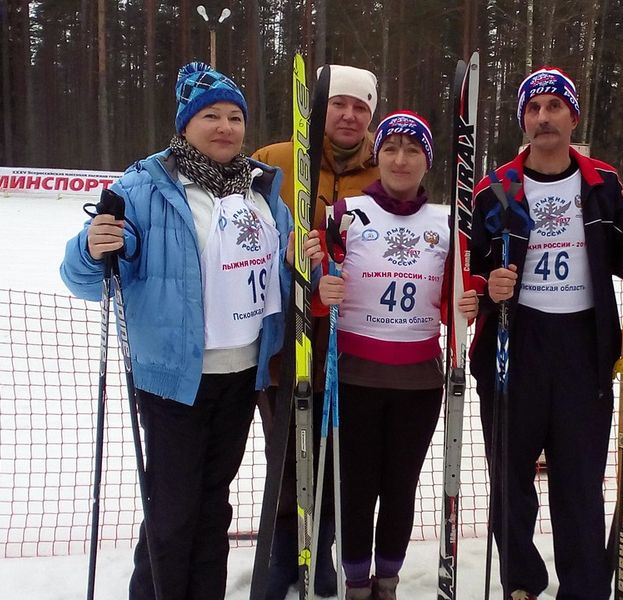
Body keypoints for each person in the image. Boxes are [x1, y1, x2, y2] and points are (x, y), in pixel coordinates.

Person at [60, 62, 292, 600]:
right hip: (173, 380)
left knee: (214, 505)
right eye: (211, 116)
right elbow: (84, 278)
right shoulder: (144, 188)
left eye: (235, 117)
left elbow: (281, 274)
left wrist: (306, 262)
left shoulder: (262, 193)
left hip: (242, 373)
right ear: (185, 123)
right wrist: (93, 248)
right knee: (172, 510)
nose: (225, 127)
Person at [467, 67, 623, 600]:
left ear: (573, 117)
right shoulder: (496, 188)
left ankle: (584, 586)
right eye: (533, 108)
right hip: (515, 344)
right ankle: (522, 582)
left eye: (554, 106)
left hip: (583, 345)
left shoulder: (604, 184)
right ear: (523, 121)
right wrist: (488, 285)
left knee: (579, 480)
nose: (543, 117)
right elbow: (469, 267)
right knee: (511, 480)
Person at [303, 111, 478, 600]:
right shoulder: (345, 213)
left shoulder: (447, 221)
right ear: (376, 156)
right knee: (356, 489)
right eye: (390, 149)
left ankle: (387, 582)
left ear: (427, 161)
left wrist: (471, 299)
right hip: (354, 378)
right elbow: (314, 295)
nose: (401, 160)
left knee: (401, 488)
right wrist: (320, 286)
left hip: (418, 382)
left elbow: (454, 301)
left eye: (413, 150)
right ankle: (356, 583)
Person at [250, 64, 380, 599]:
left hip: (350, 342)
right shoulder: (274, 159)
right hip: (284, 338)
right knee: (285, 452)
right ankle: (284, 550)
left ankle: (320, 546)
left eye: (360, 107)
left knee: (335, 451)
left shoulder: (384, 169)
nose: (348, 116)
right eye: (338, 104)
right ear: (318, 109)